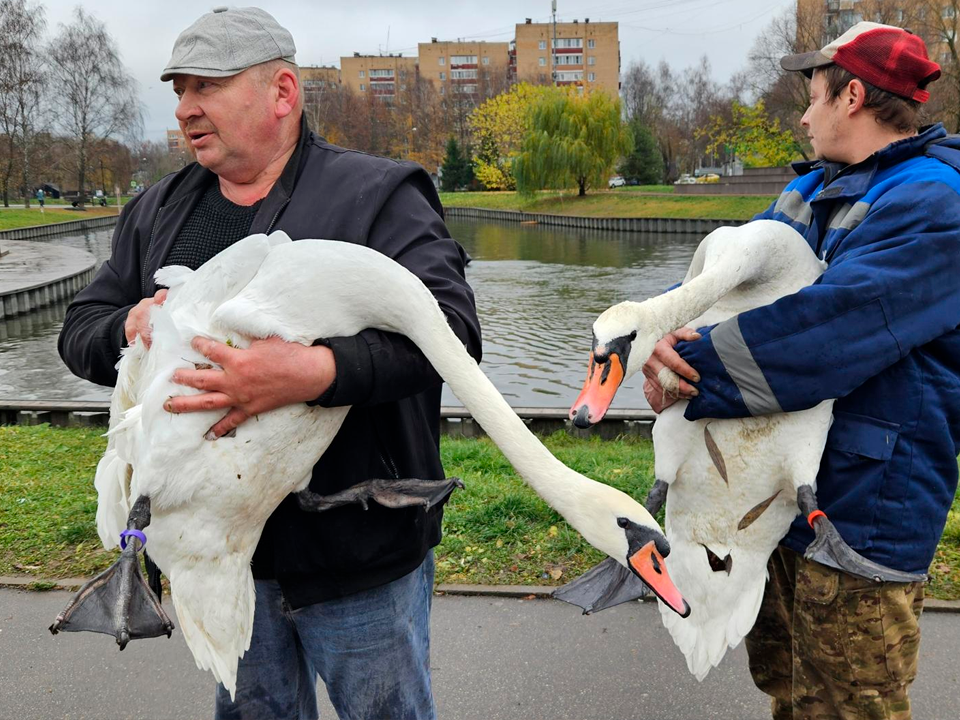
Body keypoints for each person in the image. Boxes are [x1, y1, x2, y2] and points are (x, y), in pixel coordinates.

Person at [58, 7, 481, 720]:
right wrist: (129, 327)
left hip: (358, 561)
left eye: (206, 87)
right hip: (226, 563)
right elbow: (80, 330)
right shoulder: (156, 211)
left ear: (281, 93)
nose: (185, 108)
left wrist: (315, 373)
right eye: (179, 91)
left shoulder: (378, 196)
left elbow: (455, 333)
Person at [642, 22, 960, 720]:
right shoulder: (810, 192)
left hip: (862, 516)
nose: (803, 115)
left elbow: (828, 330)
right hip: (780, 511)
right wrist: (663, 344)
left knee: (854, 706)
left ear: (853, 95)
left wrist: (689, 366)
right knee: (788, 693)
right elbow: (733, 288)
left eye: (813, 98)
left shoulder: (936, 204)